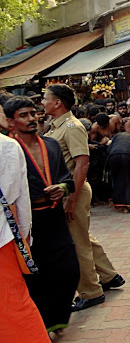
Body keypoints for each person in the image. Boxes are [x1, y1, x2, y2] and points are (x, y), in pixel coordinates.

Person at [43, 84, 124, 312]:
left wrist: (71, 197)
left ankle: (91, 291)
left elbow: (82, 163)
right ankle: (109, 276)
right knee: (82, 237)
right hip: (71, 190)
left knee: (77, 244)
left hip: (74, 190)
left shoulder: (71, 126)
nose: (43, 103)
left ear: (57, 102)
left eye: (45, 98)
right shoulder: (55, 127)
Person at [4, 97, 80, 337]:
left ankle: (57, 319)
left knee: (70, 270)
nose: (31, 119)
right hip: (28, 221)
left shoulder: (51, 145)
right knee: (36, 275)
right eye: (23, 115)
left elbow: (67, 178)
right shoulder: (7, 150)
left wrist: (64, 189)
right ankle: (42, 324)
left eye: (33, 113)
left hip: (54, 214)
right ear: (10, 121)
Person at [0, 133, 50, 342]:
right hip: (4, 237)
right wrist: (24, 236)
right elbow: (21, 200)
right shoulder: (8, 146)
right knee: (12, 302)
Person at [107, 132, 130, 212]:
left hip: (113, 156)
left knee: (118, 180)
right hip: (128, 156)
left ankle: (121, 204)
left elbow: (109, 149)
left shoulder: (116, 137)